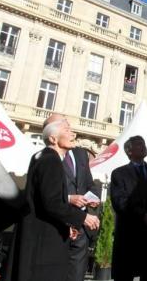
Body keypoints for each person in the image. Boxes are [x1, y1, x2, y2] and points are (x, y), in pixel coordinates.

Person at [9, 117, 100, 281]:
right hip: (43, 243)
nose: (73, 134)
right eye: (67, 130)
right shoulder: (51, 160)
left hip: (47, 233)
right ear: (53, 138)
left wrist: (65, 225)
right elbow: (52, 202)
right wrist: (83, 217)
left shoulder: (47, 158)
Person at [41, 114, 101, 281]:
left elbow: (89, 183)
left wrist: (93, 198)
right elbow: (46, 195)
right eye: (64, 126)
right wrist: (69, 198)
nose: (70, 128)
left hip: (82, 226)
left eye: (68, 124)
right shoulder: (46, 158)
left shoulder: (81, 154)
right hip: (57, 224)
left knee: (76, 274)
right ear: (52, 134)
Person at [110, 136, 147, 281]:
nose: (143, 146)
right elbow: (120, 201)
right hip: (129, 236)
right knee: (125, 275)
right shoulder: (119, 173)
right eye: (138, 144)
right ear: (129, 151)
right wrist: (144, 215)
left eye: (144, 143)